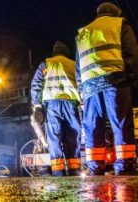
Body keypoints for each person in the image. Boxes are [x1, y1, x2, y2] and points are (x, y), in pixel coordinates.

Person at [75, 2, 138, 175]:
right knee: (121, 124)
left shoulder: (83, 33)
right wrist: (131, 79)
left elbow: (78, 68)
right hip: (115, 82)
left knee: (93, 128)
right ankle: (125, 167)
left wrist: (82, 90)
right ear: (115, 12)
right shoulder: (120, 24)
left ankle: (95, 168)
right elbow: (132, 54)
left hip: (89, 89)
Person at [31, 41, 82, 176]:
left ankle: (58, 172)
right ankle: (74, 170)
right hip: (71, 104)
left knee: (54, 138)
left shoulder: (46, 64)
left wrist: (37, 106)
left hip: (52, 106)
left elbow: (36, 84)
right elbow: (81, 82)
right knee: (72, 137)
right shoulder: (73, 64)